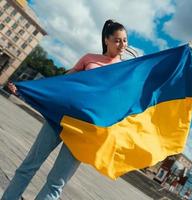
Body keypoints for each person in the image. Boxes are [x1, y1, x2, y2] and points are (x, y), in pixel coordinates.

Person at [1, 19, 132, 200]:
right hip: (59, 119)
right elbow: (61, 83)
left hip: (84, 131)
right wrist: (26, 91)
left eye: (125, 40)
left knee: (56, 182)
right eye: (117, 40)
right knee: (28, 166)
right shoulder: (89, 58)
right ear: (106, 40)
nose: (122, 44)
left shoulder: (124, 71)